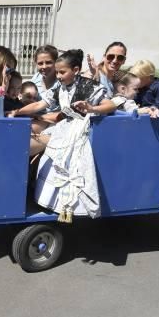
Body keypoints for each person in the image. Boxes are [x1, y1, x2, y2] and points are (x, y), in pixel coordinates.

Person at [33, 49, 112, 219]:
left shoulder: (89, 85)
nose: (59, 76)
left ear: (75, 70)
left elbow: (109, 104)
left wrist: (92, 108)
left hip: (80, 130)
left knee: (73, 164)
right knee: (52, 159)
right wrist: (17, 111)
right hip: (63, 128)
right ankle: (49, 202)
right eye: (58, 72)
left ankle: (70, 208)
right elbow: (42, 104)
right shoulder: (60, 88)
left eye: (62, 72)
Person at [74, 72, 140, 115]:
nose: (138, 92)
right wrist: (145, 111)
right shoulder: (127, 102)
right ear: (123, 89)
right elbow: (136, 114)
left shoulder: (108, 101)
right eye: (135, 89)